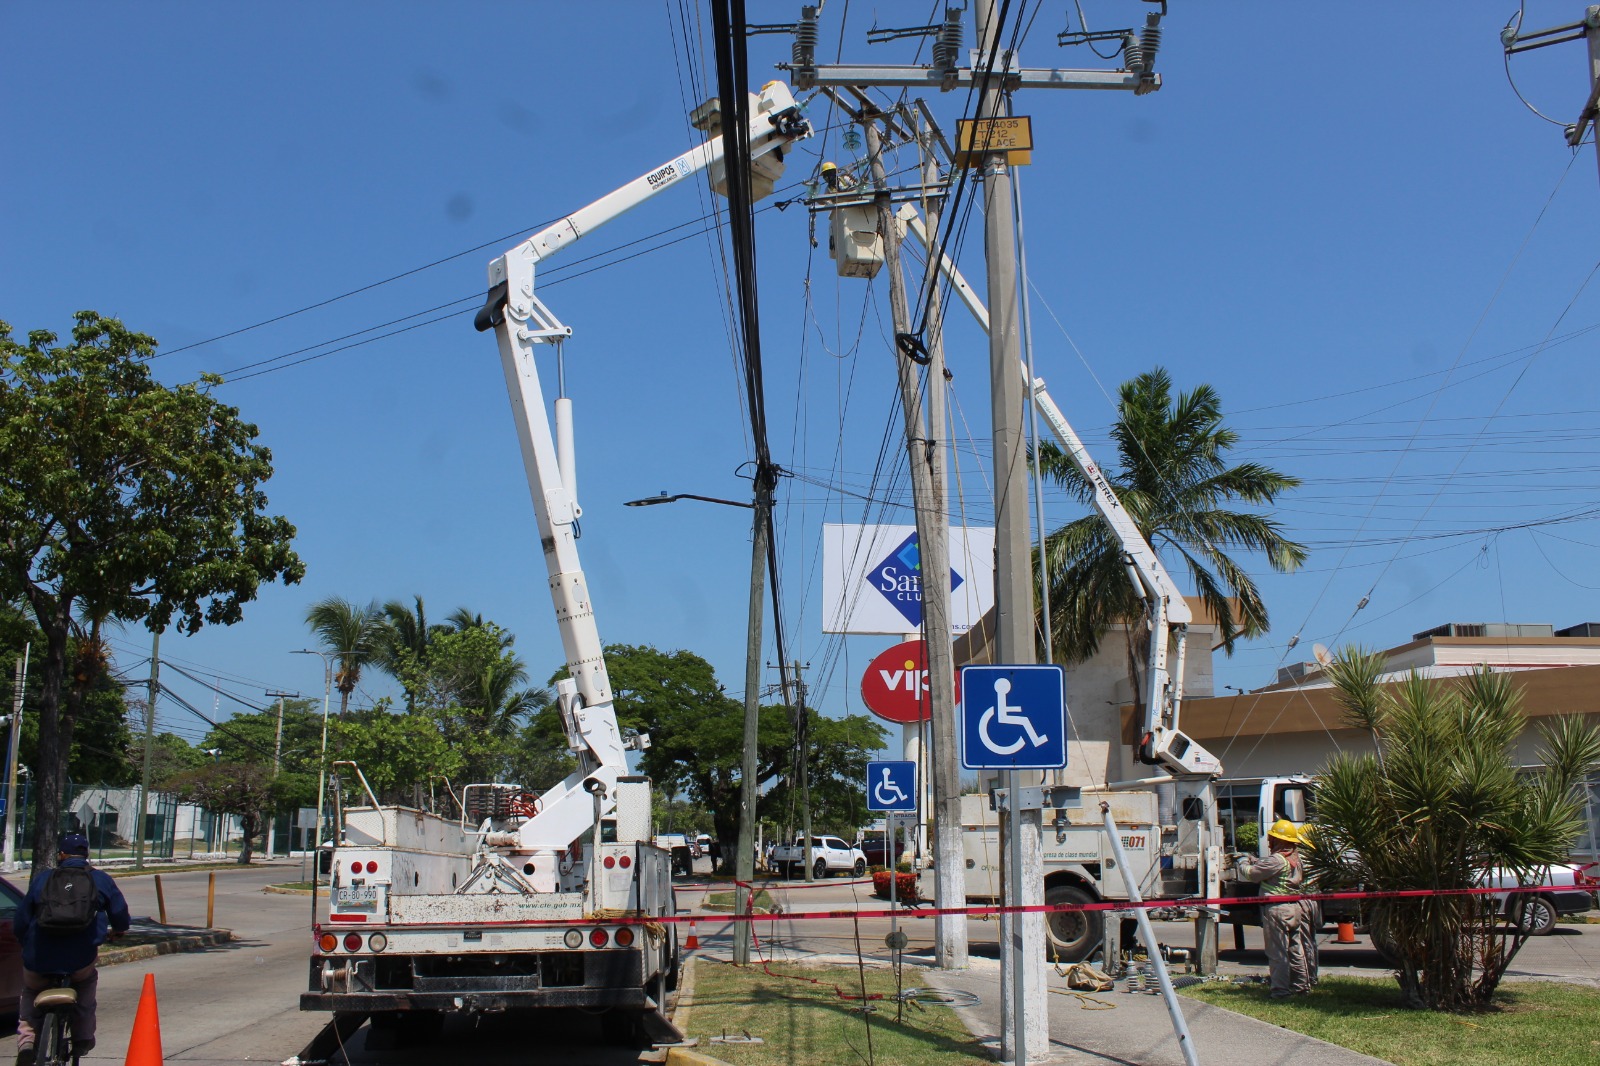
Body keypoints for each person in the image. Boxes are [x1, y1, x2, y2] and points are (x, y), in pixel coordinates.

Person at [13, 833, 131, 1065]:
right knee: (86, 987)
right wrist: (118, 930)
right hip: (80, 957)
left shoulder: (43, 878)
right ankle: (82, 1037)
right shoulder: (101, 880)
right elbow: (119, 914)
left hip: (40, 957)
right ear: (86, 855)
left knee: (30, 989)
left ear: (61, 855)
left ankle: (27, 1040)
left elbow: (21, 920)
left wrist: (24, 941)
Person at [1233, 819, 1307, 998]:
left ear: (1278, 840)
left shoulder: (1277, 860)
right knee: (1296, 950)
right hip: (1294, 908)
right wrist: (1255, 859)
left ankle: (1280, 992)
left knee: (1278, 952)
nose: (1269, 841)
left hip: (1277, 910)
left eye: (1272, 838)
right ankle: (1301, 987)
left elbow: (1252, 874)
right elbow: (1270, 866)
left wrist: (1242, 861)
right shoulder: (1296, 858)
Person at [1296, 824, 1321, 990]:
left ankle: (1308, 978)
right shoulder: (1316, 856)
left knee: (1304, 942)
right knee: (1311, 940)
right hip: (1314, 901)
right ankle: (1313, 975)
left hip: (1303, 900)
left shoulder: (1302, 857)